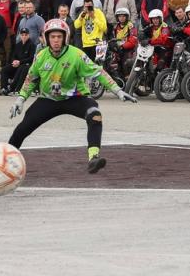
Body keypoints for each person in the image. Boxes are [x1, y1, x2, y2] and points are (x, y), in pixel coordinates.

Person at [8, 18, 138, 173]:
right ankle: (5, 158)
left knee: (95, 115)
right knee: (22, 128)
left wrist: (118, 91)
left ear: (65, 38)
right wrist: (20, 99)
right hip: (49, 99)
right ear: (46, 38)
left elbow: (98, 72)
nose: (56, 40)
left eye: (59, 37)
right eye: (52, 37)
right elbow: (31, 79)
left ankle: (93, 158)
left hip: (76, 97)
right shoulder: (41, 56)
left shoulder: (76, 55)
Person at [0, 26, 36, 95]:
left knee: (22, 68)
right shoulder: (18, 45)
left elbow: (31, 58)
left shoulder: (32, 45)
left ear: (28, 35)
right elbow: (13, 56)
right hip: (17, 64)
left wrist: (20, 62)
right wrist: (14, 61)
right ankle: (3, 88)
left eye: (26, 35)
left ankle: (13, 88)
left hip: (25, 65)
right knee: (4, 69)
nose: (24, 36)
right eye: (22, 35)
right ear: (20, 35)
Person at [110, 7, 138, 78]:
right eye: (119, 16)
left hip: (128, 50)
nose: (121, 18)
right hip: (117, 49)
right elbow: (112, 39)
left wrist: (122, 46)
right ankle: (116, 80)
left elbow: (133, 42)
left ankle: (127, 81)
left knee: (126, 63)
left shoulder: (131, 26)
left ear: (127, 17)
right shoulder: (115, 27)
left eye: (123, 16)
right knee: (112, 63)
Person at [0, 0, 18, 67]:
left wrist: (13, 28)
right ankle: (3, 65)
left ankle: (8, 66)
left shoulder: (12, 2)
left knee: (8, 49)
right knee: (0, 49)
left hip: (8, 29)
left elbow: (15, 16)